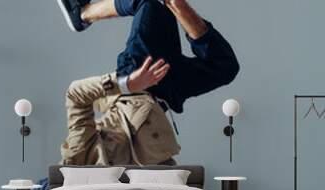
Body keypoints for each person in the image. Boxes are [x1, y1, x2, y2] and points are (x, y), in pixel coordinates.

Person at [58, 0, 240, 165]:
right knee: (225, 67)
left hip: (136, 79)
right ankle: (177, 4)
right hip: (167, 95)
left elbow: (75, 94)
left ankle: (82, 15)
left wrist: (127, 84)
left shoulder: (78, 156)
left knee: (149, 5)